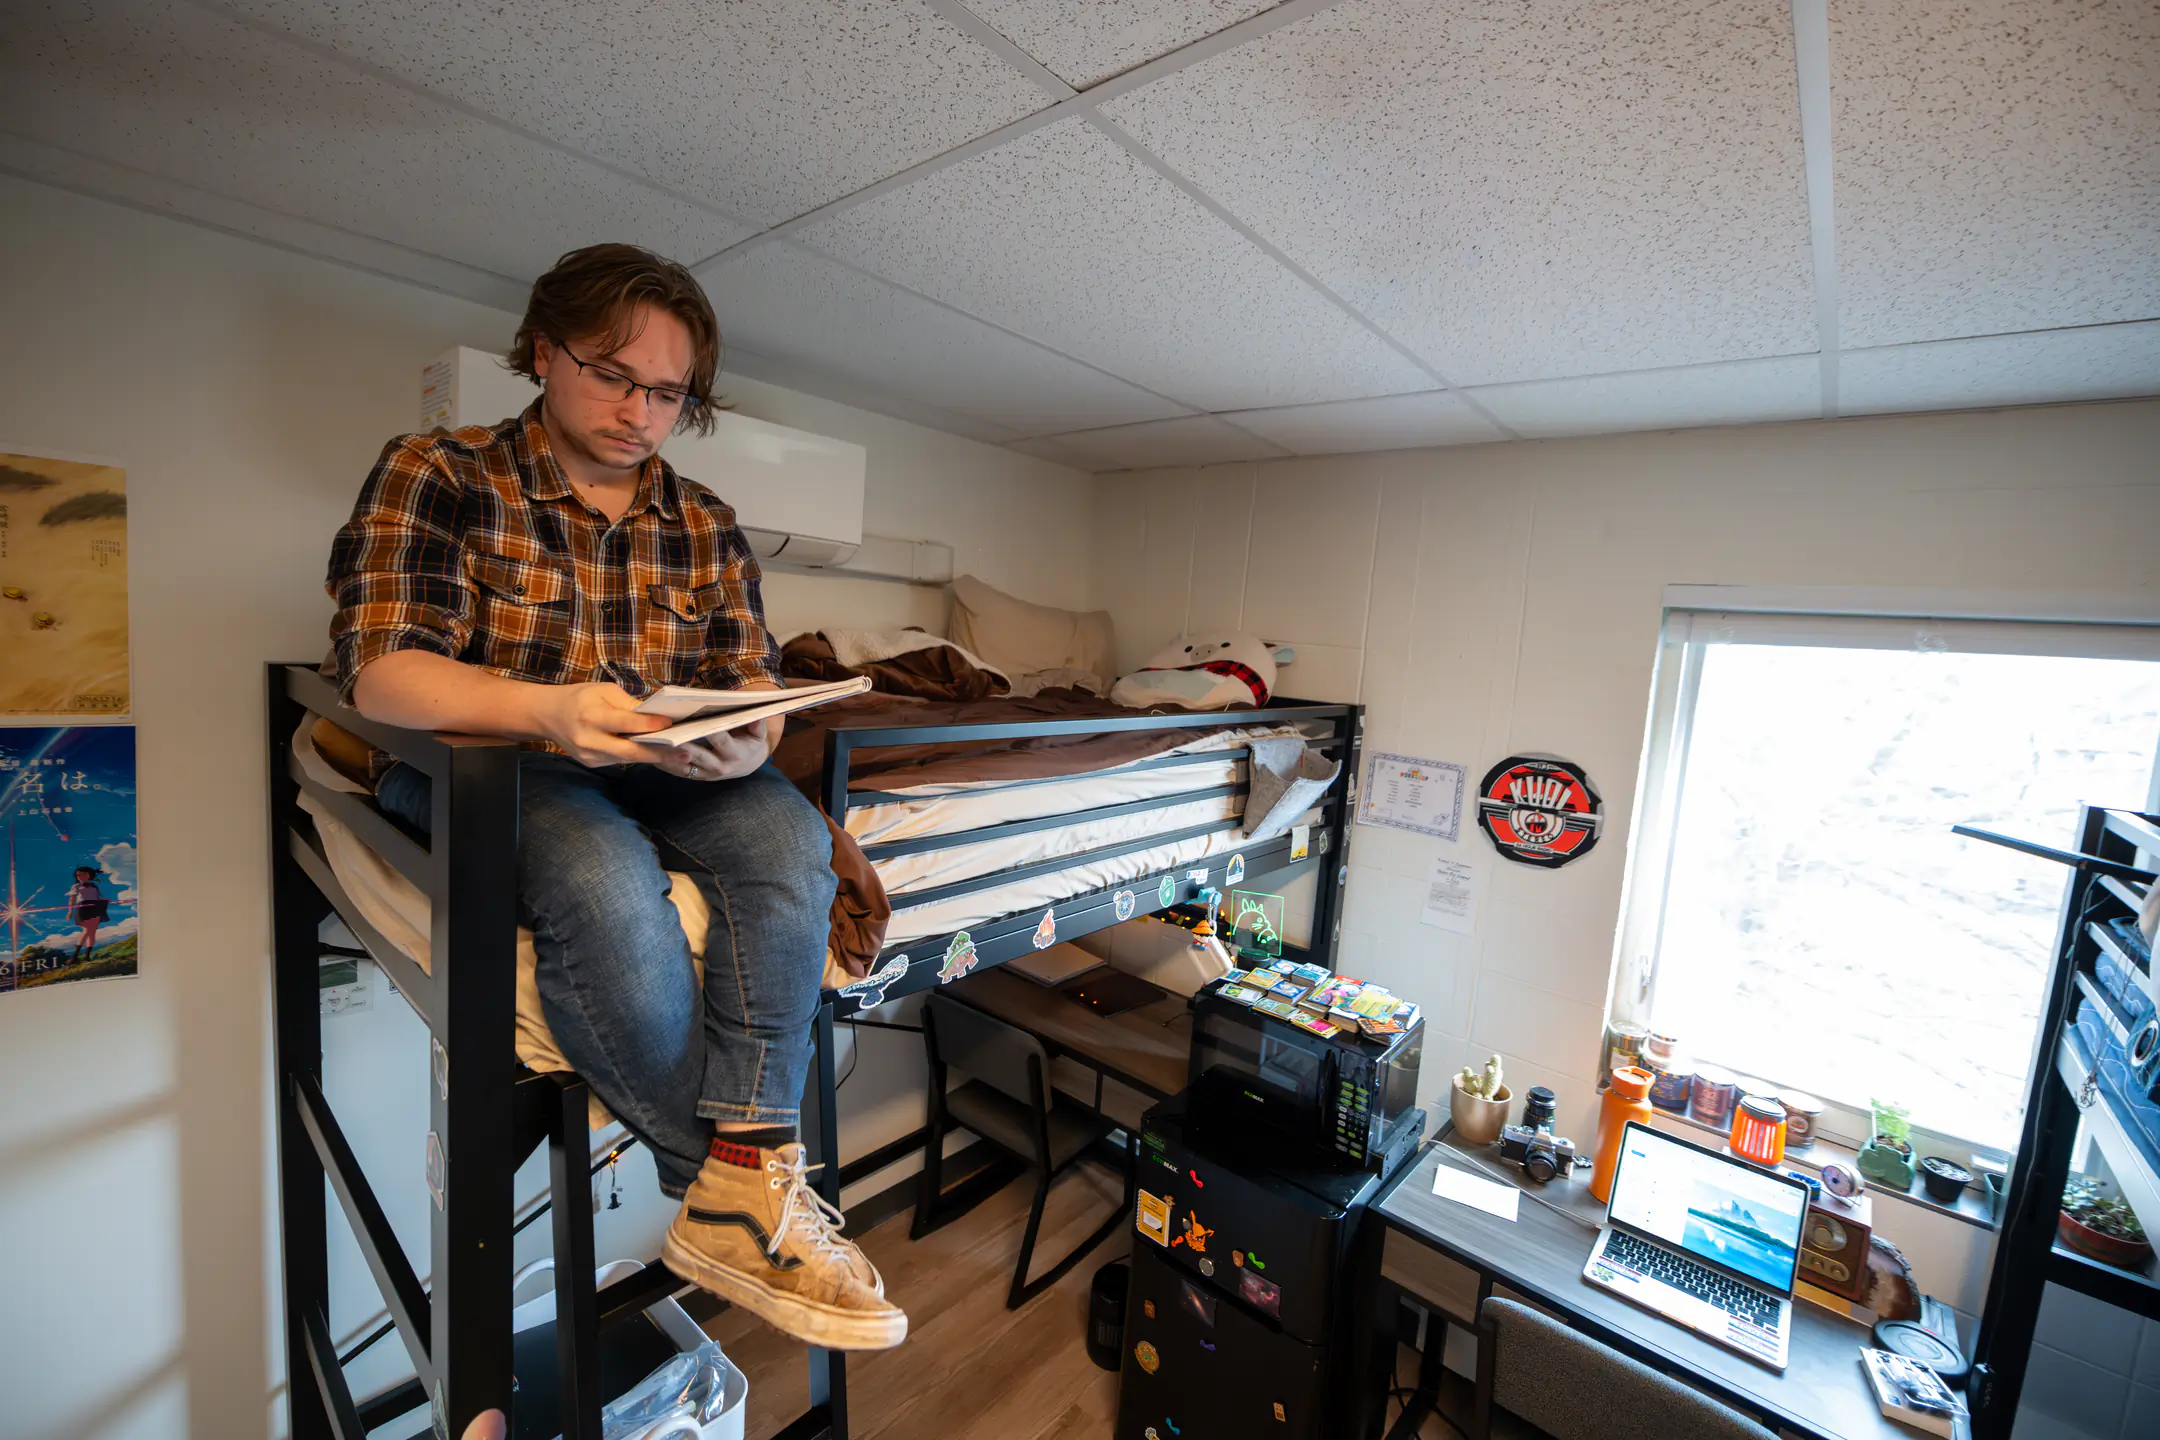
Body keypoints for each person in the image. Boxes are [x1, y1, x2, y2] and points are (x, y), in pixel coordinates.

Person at [325, 243, 904, 1351]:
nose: (642, 411)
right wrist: (549, 713)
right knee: (602, 879)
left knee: (789, 837)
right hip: (489, 759)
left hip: (659, 761)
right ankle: (736, 1187)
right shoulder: (440, 471)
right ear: (543, 352)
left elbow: (753, 684)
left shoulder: (704, 518)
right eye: (612, 376)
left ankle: (741, 1188)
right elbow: (382, 669)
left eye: (670, 393)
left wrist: (750, 741)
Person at [67, 865, 108, 960]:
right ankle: (75, 956)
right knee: (86, 930)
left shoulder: (94, 887)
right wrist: (69, 912)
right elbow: (71, 900)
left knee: (92, 932)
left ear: (89, 875)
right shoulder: (76, 886)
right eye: (78, 875)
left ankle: (87, 956)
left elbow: (97, 898)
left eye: (83, 874)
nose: (80, 877)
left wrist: (104, 901)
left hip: (95, 908)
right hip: (83, 908)